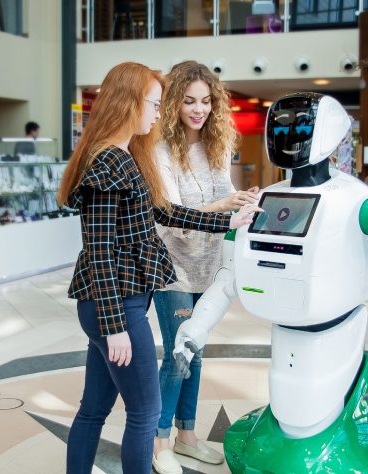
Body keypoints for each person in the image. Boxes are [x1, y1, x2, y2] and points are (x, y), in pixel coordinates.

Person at [56, 62, 261, 474]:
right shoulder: (107, 163)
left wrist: (229, 220)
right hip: (113, 305)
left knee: (94, 409)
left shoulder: (126, 157)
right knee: (146, 412)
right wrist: (114, 325)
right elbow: (97, 252)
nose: (157, 112)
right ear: (129, 103)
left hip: (117, 300)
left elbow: (163, 211)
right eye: (153, 103)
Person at [152, 60, 259, 474]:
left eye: (206, 101)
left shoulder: (215, 146)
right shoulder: (159, 151)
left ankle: (187, 436)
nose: (199, 109)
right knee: (177, 354)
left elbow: (225, 192)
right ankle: (159, 442)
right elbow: (171, 214)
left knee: (195, 354)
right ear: (173, 102)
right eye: (189, 101)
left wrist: (245, 197)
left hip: (209, 265)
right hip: (173, 267)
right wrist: (224, 206)